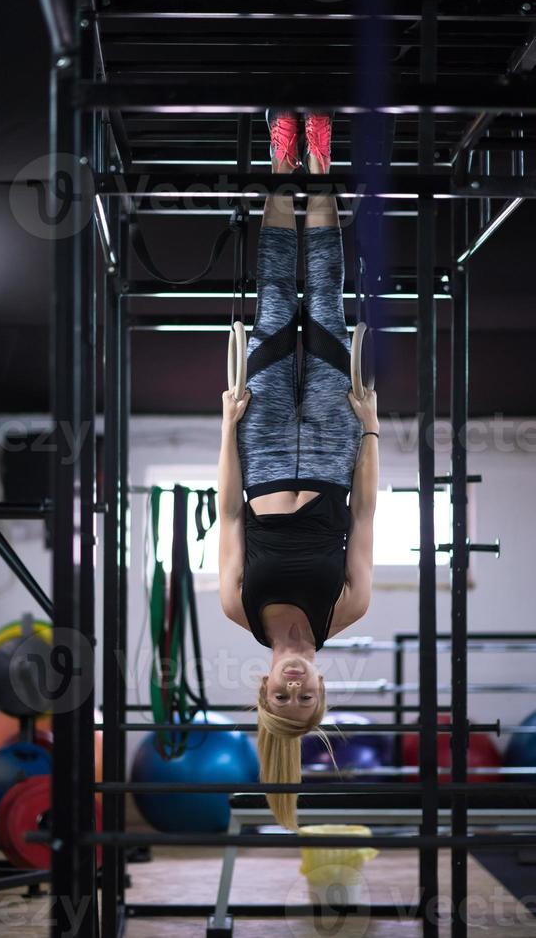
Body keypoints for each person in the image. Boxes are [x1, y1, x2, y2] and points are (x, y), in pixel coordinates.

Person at [217, 108, 379, 829]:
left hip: (259, 451)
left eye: (279, 698)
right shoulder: (344, 610)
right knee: (328, 297)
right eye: (302, 698)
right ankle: (321, 158)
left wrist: (227, 428)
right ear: (320, 689)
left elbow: (226, 514)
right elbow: (367, 515)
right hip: (329, 451)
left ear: (261, 687)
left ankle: (283, 162)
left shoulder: (237, 608)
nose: (291, 689)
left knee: (277, 302)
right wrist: (369, 430)